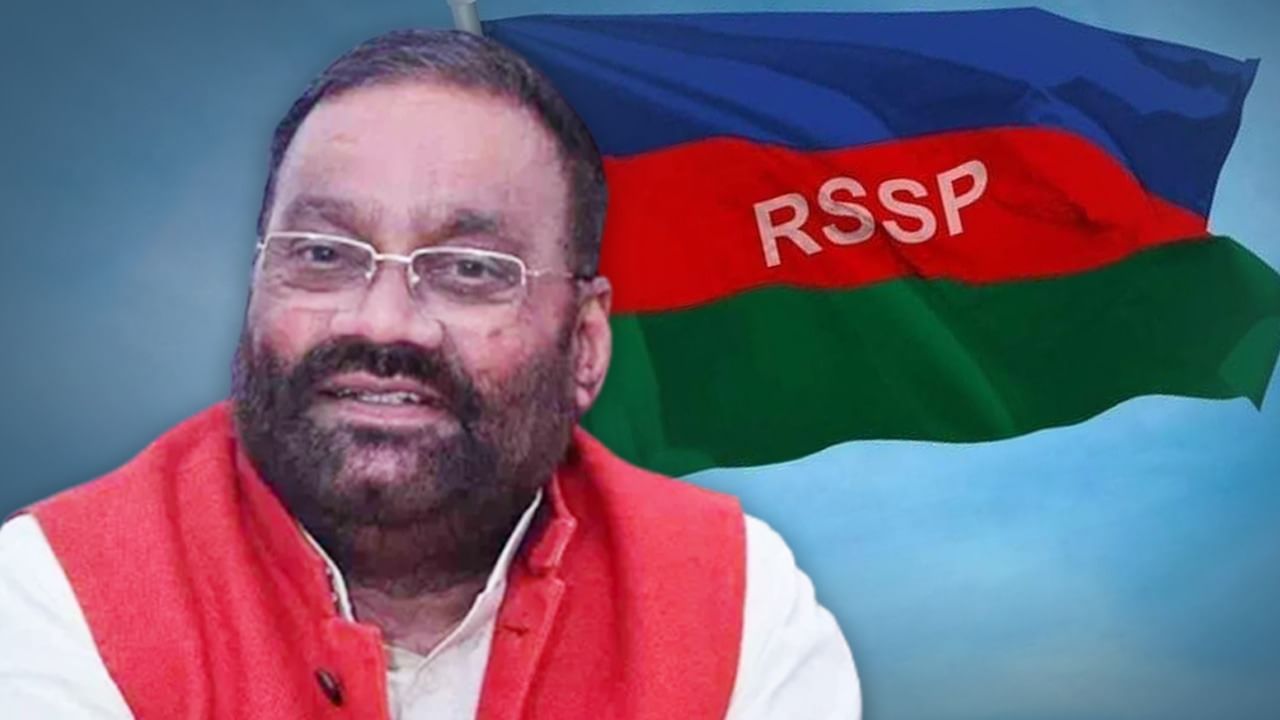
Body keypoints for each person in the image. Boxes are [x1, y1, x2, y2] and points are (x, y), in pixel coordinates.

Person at [0, 29, 859, 719]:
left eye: (471, 269)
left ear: (586, 346)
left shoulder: (733, 600)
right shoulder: (57, 593)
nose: (383, 321)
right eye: (324, 254)